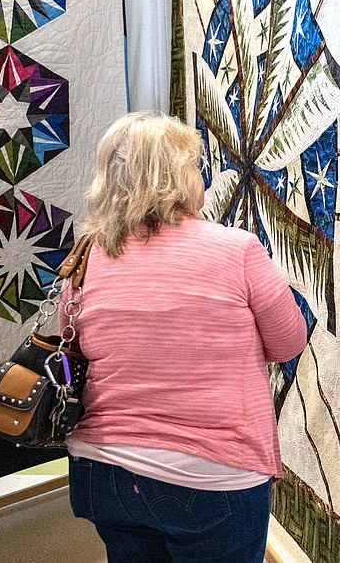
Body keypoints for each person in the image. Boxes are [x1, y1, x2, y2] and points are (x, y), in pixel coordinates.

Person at [64, 113, 308, 562]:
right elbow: (290, 342)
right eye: (195, 166)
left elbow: (68, 344)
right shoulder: (236, 249)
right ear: (176, 177)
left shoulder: (85, 257)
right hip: (211, 475)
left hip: (103, 471)